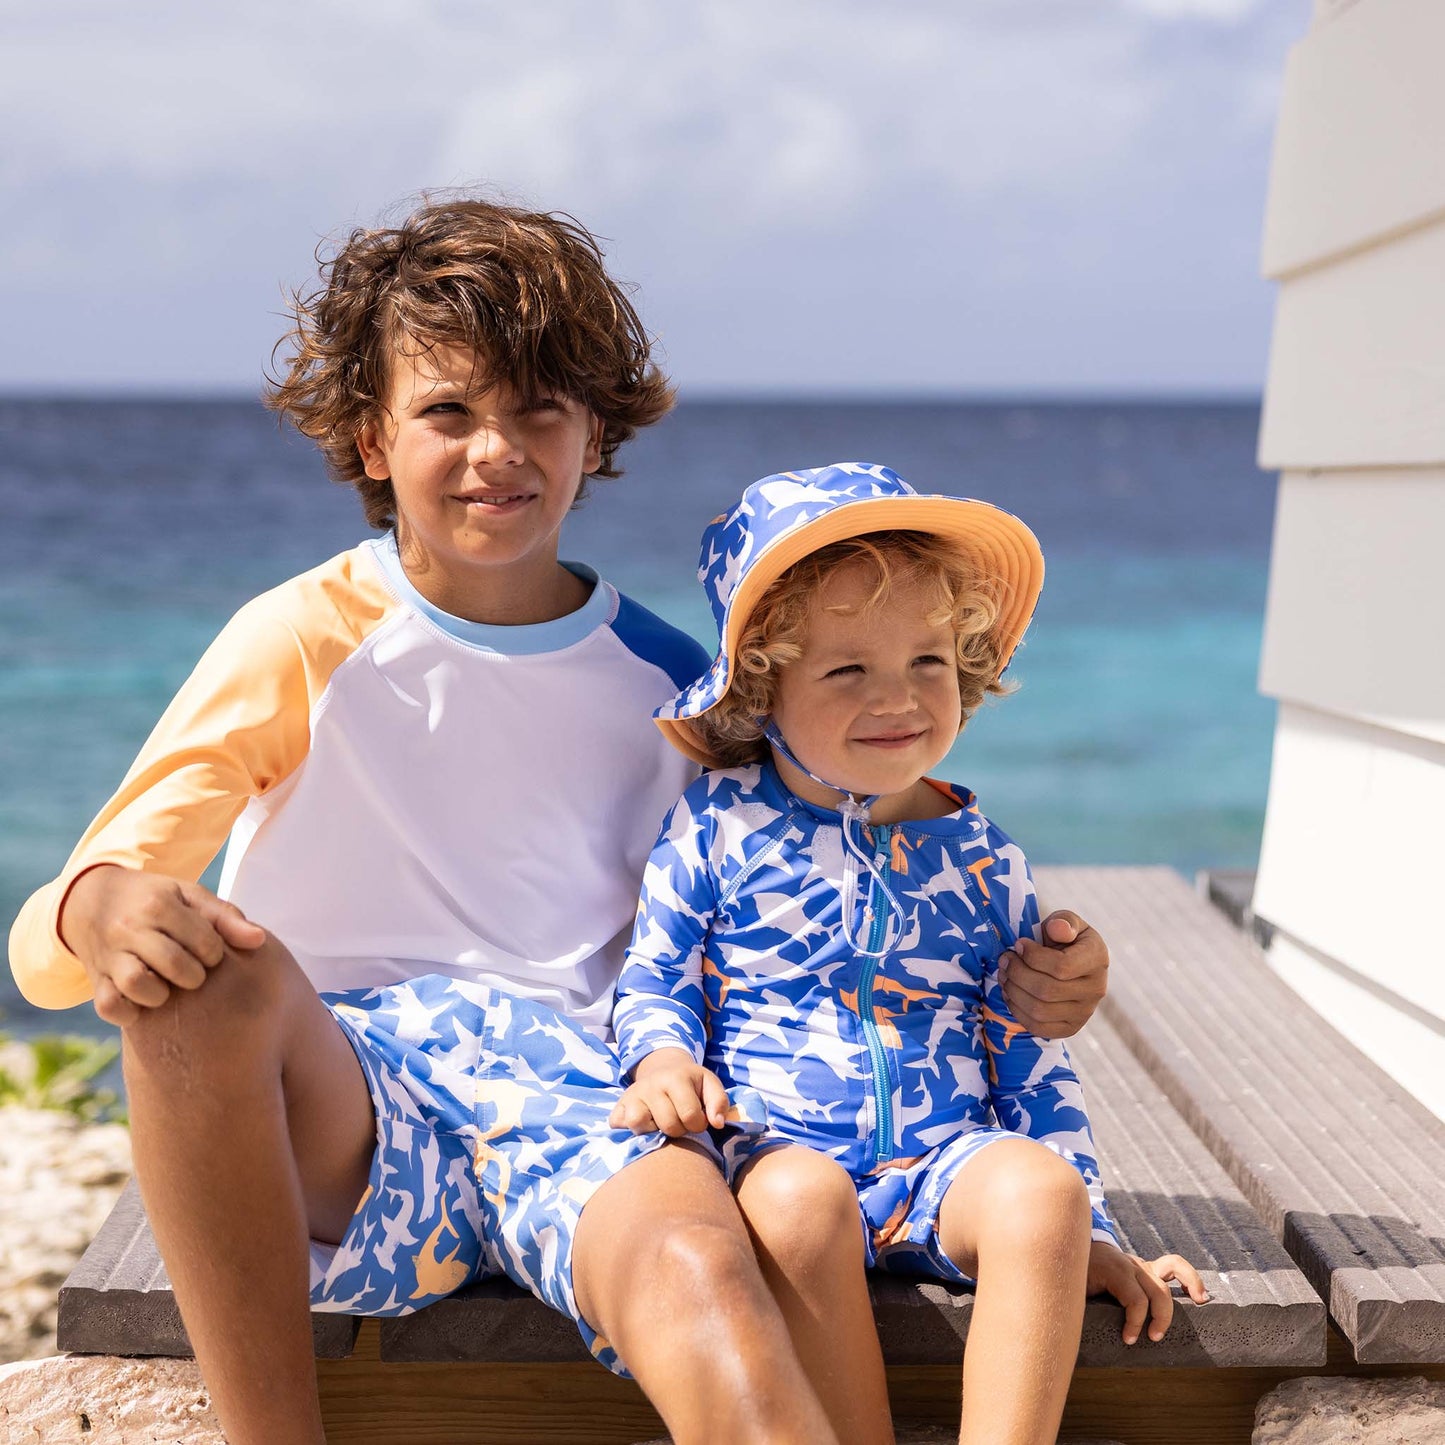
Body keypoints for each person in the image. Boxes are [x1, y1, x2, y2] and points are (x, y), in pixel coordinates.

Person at [7, 202, 1112, 1445]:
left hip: (590, 1103)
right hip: (354, 1110)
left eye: (539, 409)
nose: (497, 449)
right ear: (371, 439)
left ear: (595, 431)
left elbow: (832, 889)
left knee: (700, 1265)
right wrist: (96, 901)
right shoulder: (302, 637)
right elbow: (53, 952)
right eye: (446, 412)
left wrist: (1032, 981)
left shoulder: (674, 683)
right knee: (200, 975)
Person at [611, 462, 1208, 1445]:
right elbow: (657, 974)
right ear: (762, 684)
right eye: (846, 669)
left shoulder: (977, 857)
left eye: (928, 661)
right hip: (779, 1153)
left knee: (1040, 1191)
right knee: (801, 1205)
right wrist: (665, 1060)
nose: (896, 698)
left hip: (942, 1166)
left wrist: (1084, 1234)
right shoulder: (717, 822)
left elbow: (1027, 1055)